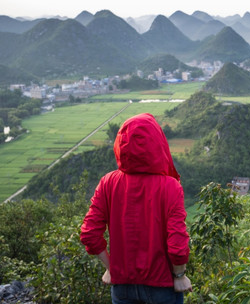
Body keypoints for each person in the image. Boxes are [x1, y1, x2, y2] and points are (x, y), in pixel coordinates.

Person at [80, 113, 192, 304]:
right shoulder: (170, 186)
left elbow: (89, 233)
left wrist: (111, 268)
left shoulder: (108, 183)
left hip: (122, 289)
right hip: (162, 287)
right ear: (158, 143)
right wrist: (180, 276)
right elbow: (177, 244)